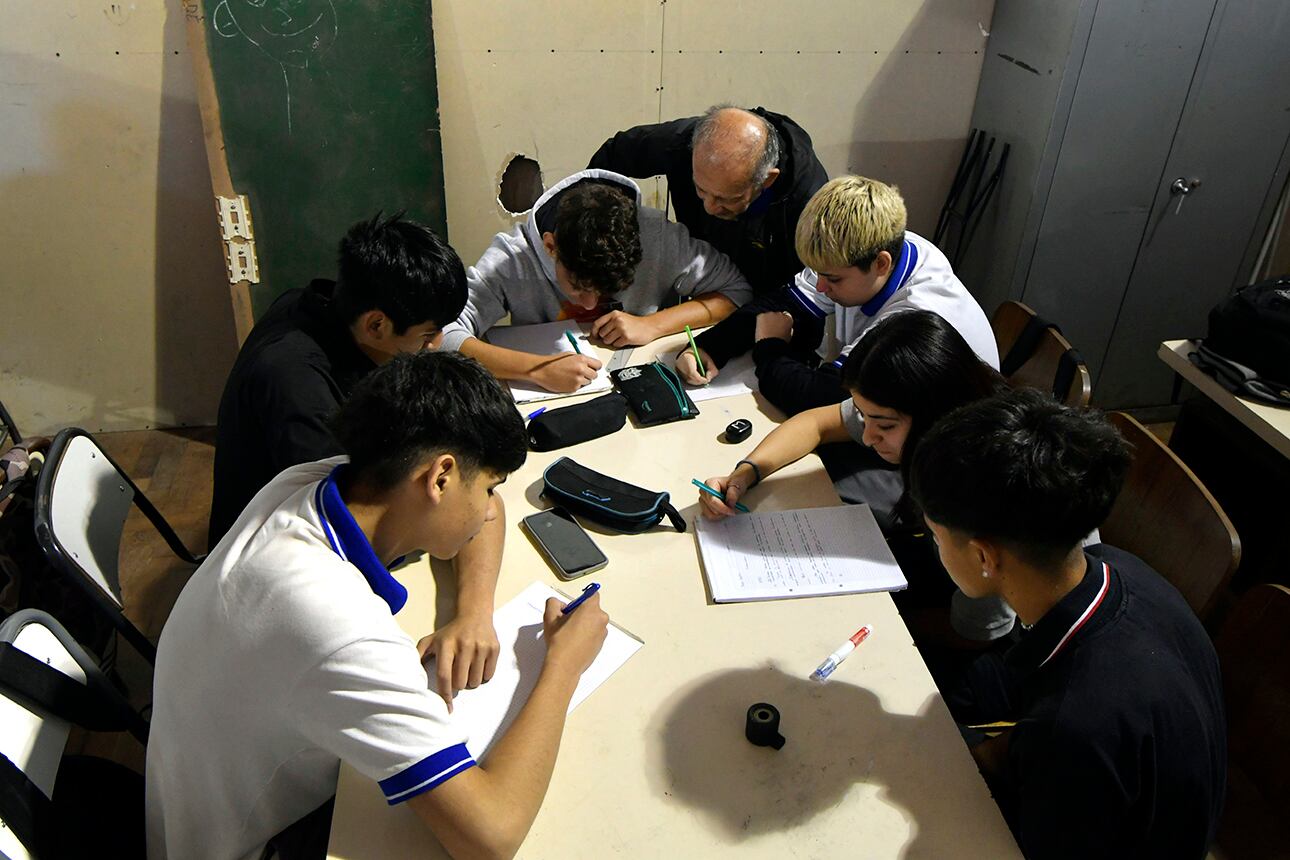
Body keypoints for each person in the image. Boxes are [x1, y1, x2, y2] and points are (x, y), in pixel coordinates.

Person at [147, 352, 611, 860]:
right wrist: (564, 665)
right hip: (258, 843)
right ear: (440, 478)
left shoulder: (319, 483)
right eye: (487, 485)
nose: (488, 505)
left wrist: (473, 613)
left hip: (202, 793)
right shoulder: (338, 627)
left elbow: (489, 515)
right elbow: (492, 836)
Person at [909, 389, 1227, 857]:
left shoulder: (1075, 725)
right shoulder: (1118, 567)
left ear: (983, 557)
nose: (935, 548)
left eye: (936, 536)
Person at [698, 311, 1013, 644]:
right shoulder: (923, 409)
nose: (867, 436)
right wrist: (745, 474)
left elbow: (979, 634)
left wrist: (872, 629)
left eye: (885, 426)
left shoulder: (980, 496)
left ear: (934, 414)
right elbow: (815, 423)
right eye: (863, 417)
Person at [209, 212, 467, 546]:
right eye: (428, 334)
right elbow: (339, 519)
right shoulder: (296, 381)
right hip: (266, 547)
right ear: (376, 325)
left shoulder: (319, 305)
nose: (435, 344)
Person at [676, 175, 998, 416]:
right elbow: (782, 303)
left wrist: (769, 349)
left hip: (946, 446)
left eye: (831, 279)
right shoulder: (881, 248)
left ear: (881, 263)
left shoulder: (914, 317)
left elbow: (822, 399)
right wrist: (712, 347)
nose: (820, 287)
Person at [439, 169, 752, 393]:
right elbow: (444, 334)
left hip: (647, 385)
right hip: (555, 400)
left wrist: (654, 324)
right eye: (579, 286)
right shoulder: (512, 257)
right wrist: (536, 369)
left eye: (607, 290)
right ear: (551, 246)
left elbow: (737, 290)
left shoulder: (657, 236)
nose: (590, 304)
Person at [588, 104, 828, 295]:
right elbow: (610, 159)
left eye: (727, 198)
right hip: (705, 283)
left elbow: (804, 293)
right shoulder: (681, 141)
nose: (710, 207)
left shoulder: (807, 201)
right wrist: (602, 231)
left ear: (767, 180)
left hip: (767, 295)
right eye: (700, 190)